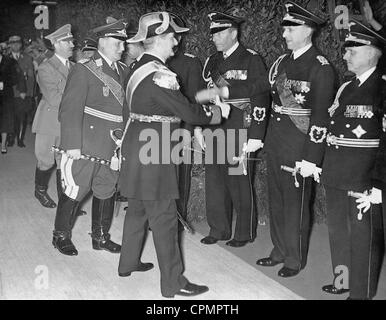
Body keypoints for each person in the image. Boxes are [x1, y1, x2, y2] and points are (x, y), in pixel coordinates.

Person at [118, 11, 229, 298]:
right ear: (159, 39)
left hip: (136, 146)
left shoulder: (135, 68)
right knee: (165, 218)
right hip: (155, 152)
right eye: (172, 37)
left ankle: (127, 264)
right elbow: (188, 112)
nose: (176, 42)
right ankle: (173, 283)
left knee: (138, 209)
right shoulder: (161, 74)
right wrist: (217, 113)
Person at [256, 1, 336, 277]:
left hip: (300, 148)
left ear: (308, 30)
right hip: (277, 142)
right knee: (276, 201)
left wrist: (311, 159)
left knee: (296, 205)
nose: (284, 33)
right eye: (284, 28)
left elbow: (321, 119)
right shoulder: (282, 62)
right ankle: (278, 249)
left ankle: (294, 258)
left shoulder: (320, 68)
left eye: (291, 28)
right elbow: (269, 98)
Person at [52, 17, 129, 256]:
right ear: (104, 42)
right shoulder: (84, 69)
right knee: (75, 190)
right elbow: (69, 109)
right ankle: (60, 235)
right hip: (86, 144)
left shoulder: (125, 71)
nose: (123, 48)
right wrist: (72, 144)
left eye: (124, 43)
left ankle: (100, 237)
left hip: (113, 146)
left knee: (106, 190)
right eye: (118, 42)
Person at [321, 20, 385, 300]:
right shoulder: (346, 88)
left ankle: (360, 294)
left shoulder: (382, 88)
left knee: (363, 239)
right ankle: (342, 282)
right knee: (338, 234)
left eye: (352, 50)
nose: (345, 55)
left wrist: (380, 184)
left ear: (372, 52)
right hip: (335, 173)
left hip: (363, 179)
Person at [197, 11, 270, 248]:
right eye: (213, 33)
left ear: (233, 33)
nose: (214, 37)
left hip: (240, 129)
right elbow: (205, 97)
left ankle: (243, 232)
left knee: (239, 184)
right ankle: (218, 228)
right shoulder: (211, 61)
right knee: (215, 183)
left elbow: (261, 97)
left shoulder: (251, 59)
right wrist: (200, 126)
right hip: (215, 128)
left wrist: (256, 136)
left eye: (220, 32)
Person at [167, 12, 206, 230]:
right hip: (157, 127)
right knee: (159, 172)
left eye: (173, 34)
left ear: (180, 38)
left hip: (181, 129)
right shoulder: (154, 62)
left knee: (180, 175)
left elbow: (195, 100)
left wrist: (193, 130)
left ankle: (178, 218)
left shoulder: (190, 63)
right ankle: (160, 216)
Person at [32, 24, 75, 209]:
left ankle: (64, 202)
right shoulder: (46, 67)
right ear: (57, 44)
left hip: (68, 122)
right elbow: (54, 97)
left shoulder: (75, 67)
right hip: (50, 122)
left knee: (64, 162)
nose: (73, 44)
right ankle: (39, 190)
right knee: (46, 160)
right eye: (69, 41)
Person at [8, 35, 35, 148]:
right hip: (9, 93)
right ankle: (10, 138)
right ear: (9, 44)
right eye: (13, 42)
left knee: (22, 117)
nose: (15, 44)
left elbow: (31, 77)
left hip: (23, 94)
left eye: (18, 42)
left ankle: (19, 139)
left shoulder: (27, 58)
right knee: (10, 117)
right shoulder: (5, 57)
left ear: (21, 44)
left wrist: (30, 94)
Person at [1, 43, 25, 154]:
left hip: (6, 95)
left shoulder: (10, 62)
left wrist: (4, 82)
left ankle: (4, 144)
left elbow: (16, 78)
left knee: (5, 120)